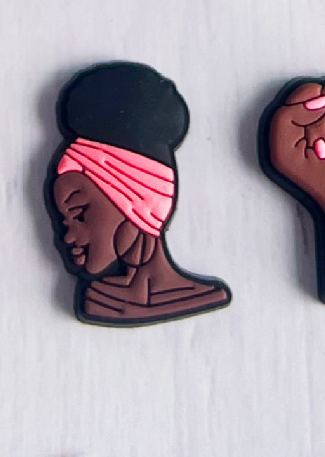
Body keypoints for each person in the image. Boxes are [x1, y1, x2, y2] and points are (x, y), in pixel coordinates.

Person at [48, 62, 230, 327]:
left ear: (139, 205)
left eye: (79, 213)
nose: (68, 236)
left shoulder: (110, 302)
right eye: (65, 220)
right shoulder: (100, 299)